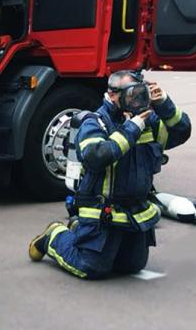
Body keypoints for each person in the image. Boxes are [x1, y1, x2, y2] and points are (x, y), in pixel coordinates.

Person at [29, 71, 191, 278]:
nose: (139, 100)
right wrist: (131, 128)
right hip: (101, 212)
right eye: (133, 95)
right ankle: (54, 236)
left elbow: (181, 131)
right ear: (113, 95)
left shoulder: (148, 121)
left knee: (132, 266)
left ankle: (80, 232)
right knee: (92, 267)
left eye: (142, 93)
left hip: (134, 212)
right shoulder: (95, 122)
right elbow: (96, 156)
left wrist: (165, 104)